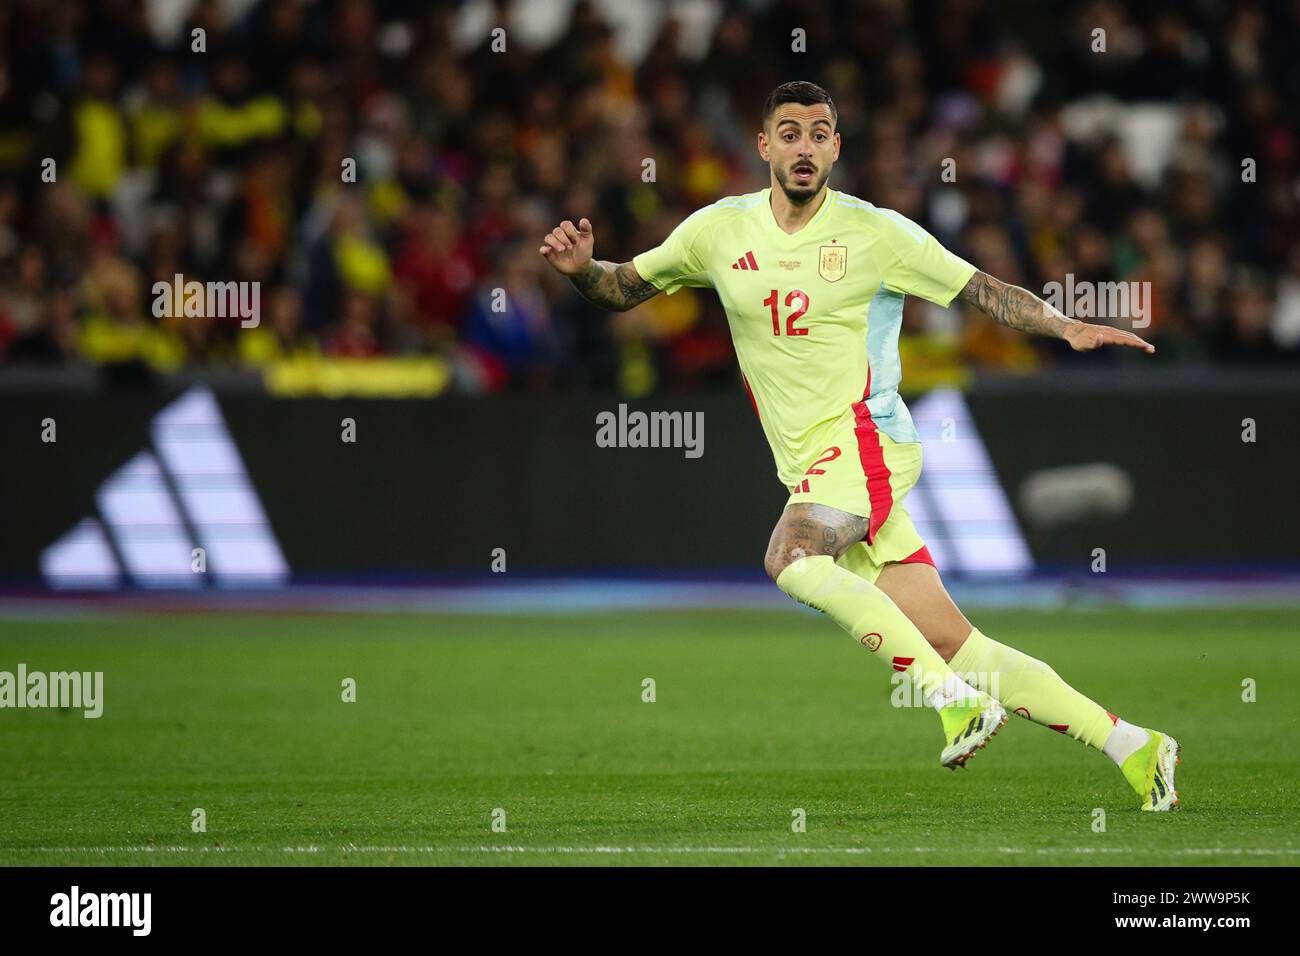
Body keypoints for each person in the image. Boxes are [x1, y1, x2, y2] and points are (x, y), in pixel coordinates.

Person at [539, 81, 1179, 811]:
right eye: (790, 132)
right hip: (813, 465)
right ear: (764, 146)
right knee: (955, 642)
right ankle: (1136, 747)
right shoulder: (718, 231)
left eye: (819, 133)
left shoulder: (878, 234)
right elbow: (625, 288)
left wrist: (1065, 326)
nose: (804, 146)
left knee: (792, 556)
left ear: (837, 148)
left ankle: (953, 702)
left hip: (867, 442)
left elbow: (981, 289)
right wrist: (584, 271)